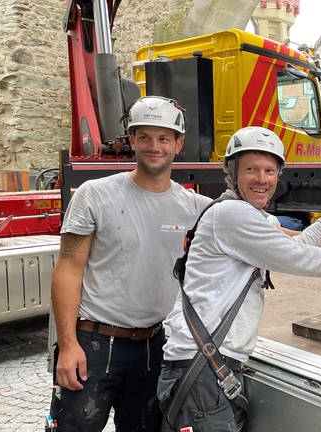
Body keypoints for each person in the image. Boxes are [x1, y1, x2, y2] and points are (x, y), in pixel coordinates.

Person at [158, 126, 321, 431]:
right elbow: (293, 258)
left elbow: (290, 247)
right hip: (200, 366)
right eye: (251, 169)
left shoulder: (250, 216)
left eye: (269, 170)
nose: (262, 179)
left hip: (209, 363)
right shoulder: (231, 215)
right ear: (233, 172)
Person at [49, 96, 212, 432]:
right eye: (145, 137)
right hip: (94, 343)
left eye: (164, 138)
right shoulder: (94, 195)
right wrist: (67, 345)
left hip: (155, 348)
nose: (154, 146)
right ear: (132, 141)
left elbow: (254, 230)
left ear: (178, 144)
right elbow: (67, 270)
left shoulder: (195, 207)